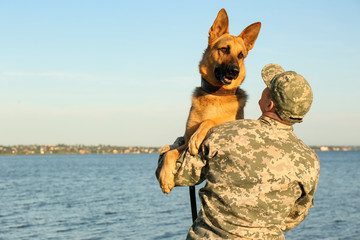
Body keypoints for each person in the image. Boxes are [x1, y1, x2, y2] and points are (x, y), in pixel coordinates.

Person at [156, 63, 320, 240]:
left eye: (268, 88)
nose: (264, 89)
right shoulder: (309, 160)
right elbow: (293, 217)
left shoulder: (223, 133)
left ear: (269, 104)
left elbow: (178, 175)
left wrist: (179, 144)